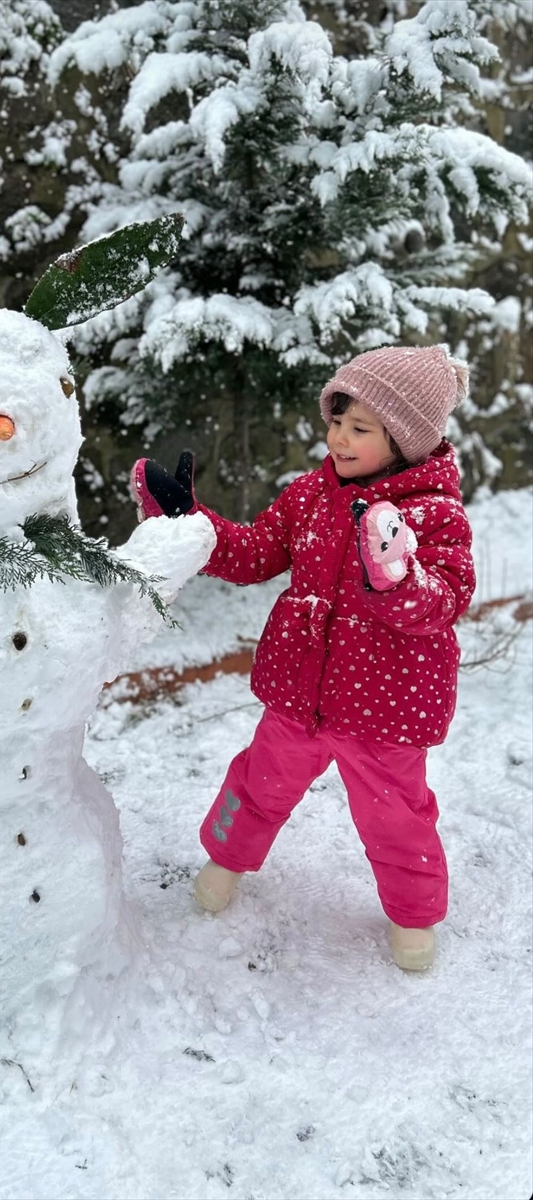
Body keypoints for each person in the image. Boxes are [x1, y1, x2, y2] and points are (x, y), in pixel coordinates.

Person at [130, 344, 476, 972]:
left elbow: (445, 600)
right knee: (259, 783)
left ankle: (414, 917)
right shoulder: (312, 495)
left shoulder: (434, 515)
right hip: (300, 694)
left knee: (396, 818)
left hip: (385, 709)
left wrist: (397, 578)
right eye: (336, 420)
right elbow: (255, 552)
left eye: (359, 428)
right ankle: (225, 862)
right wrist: (191, 524)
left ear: (404, 440)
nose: (339, 437)